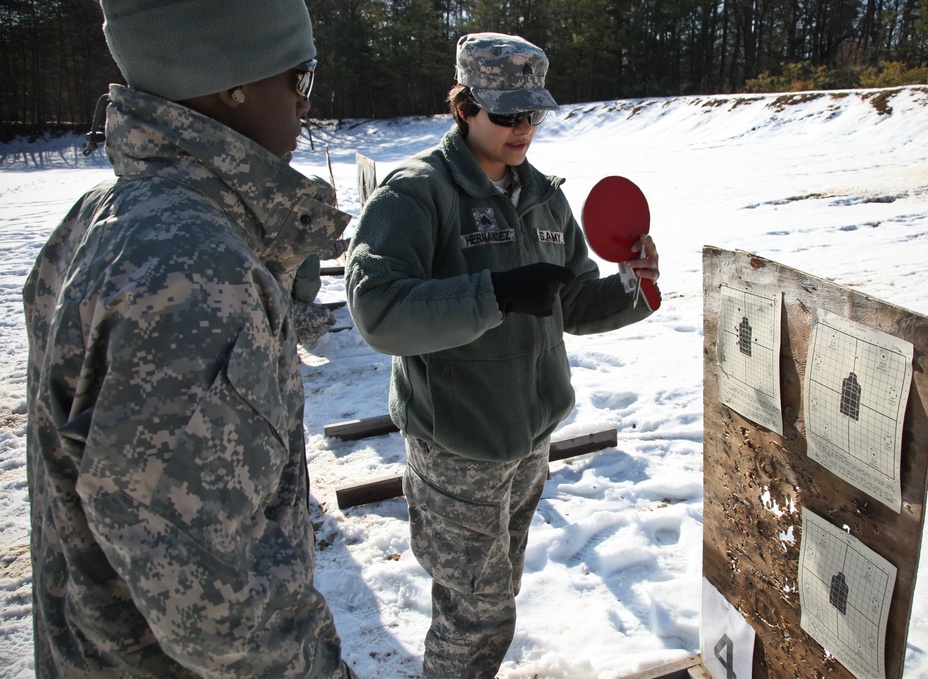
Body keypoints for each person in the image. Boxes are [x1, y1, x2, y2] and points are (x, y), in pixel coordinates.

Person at [23, 1, 356, 676]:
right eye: (301, 76)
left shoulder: (110, 214)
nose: (304, 104)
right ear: (231, 84)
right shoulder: (197, 270)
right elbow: (218, 608)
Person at [344, 32, 660, 679]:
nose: (523, 129)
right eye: (506, 114)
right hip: (457, 446)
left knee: (495, 597)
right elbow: (376, 309)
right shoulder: (416, 194)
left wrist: (637, 287)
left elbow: (569, 302)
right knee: (474, 612)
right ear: (463, 107)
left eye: (532, 113)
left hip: (529, 440)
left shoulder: (544, 197)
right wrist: (492, 292)